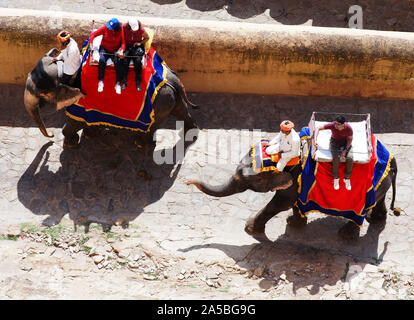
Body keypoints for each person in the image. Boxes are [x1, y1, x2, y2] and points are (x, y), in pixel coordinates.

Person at [314, 115, 354, 191]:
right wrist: (315, 140)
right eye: (335, 123)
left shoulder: (348, 128)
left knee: (350, 158)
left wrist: (345, 150)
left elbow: (350, 139)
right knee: (336, 158)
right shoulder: (332, 125)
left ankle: (347, 178)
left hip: (345, 142)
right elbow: (318, 128)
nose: (336, 125)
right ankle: (336, 178)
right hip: (334, 142)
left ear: (343, 124)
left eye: (338, 124)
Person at [89, 18, 125, 94]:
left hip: (115, 50)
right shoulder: (105, 28)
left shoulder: (121, 30)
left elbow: (123, 43)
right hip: (104, 48)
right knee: (102, 60)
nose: (110, 29)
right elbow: (93, 34)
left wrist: (121, 50)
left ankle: (118, 83)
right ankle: (101, 81)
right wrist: (90, 44)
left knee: (118, 62)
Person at [121, 18, 150, 91]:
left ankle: (138, 82)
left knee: (137, 62)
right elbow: (121, 37)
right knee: (125, 61)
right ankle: (124, 82)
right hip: (127, 46)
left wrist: (140, 43)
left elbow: (147, 38)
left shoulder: (141, 30)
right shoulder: (124, 27)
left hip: (136, 47)